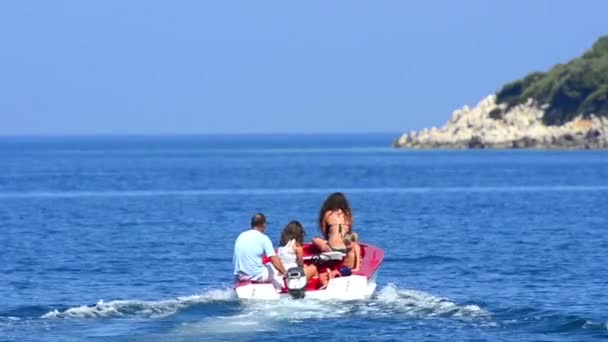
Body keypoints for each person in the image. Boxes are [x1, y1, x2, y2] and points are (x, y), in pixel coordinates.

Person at [233, 213, 287, 282]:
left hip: (240, 276)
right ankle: (279, 290)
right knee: (274, 268)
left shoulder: (241, 235)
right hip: (256, 275)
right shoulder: (264, 238)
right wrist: (285, 272)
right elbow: (274, 259)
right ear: (263, 225)